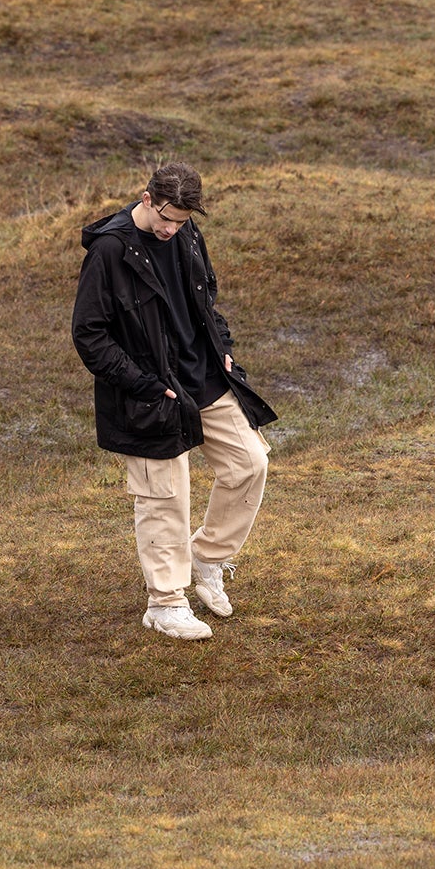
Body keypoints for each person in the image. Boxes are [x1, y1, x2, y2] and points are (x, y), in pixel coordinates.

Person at [71, 162, 276, 640]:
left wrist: (222, 350)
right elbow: (89, 334)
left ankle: (207, 558)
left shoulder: (186, 234)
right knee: (164, 496)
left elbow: (207, 301)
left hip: (203, 376)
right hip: (151, 392)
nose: (171, 228)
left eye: (181, 220)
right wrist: (141, 383)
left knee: (250, 464)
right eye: (166, 217)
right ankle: (165, 603)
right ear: (146, 199)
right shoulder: (109, 251)